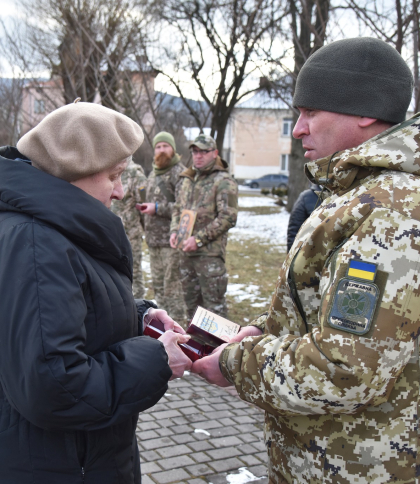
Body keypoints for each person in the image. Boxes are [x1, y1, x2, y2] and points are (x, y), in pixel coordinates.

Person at [192, 38, 419, 483]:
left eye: (309, 112)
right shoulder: (356, 197)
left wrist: (236, 363)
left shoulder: (389, 213)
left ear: (365, 112)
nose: (297, 129)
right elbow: (327, 304)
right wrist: (264, 328)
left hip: (356, 466)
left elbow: (343, 369)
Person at [0, 100, 192, 484]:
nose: (120, 191)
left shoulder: (50, 230)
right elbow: (56, 386)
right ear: (73, 173)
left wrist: (139, 317)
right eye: (114, 176)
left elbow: (65, 311)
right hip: (65, 465)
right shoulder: (39, 243)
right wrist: (156, 360)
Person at [170, 134, 238, 319]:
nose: (198, 156)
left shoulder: (223, 181)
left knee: (214, 310)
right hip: (186, 254)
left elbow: (228, 217)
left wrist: (199, 240)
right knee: (192, 310)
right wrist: (174, 231)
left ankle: (220, 348)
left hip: (209, 257)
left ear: (215, 153)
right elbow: (178, 209)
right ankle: (194, 346)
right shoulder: (187, 180)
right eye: (195, 151)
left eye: (204, 152)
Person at [139, 132, 186, 321]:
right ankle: (163, 326)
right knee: (158, 287)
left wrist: (156, 208)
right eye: (158, 147)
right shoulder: (153, 173)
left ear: (173, 149)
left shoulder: (180, 173)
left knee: (172, 289)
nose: (162, 150)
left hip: (171, 242)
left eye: (165, 146)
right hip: (153, 240)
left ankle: (178, 328)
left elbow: (184, 208)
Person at [112, 162, 147, 298]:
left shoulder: (135, 174)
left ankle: (138, 302)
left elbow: (143, 204)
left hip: (131, 233)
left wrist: (144, 228)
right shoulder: (108, 170)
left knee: (134, 270)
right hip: (112, 232)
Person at [286, 183, 321, 251]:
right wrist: (292, 255)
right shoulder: (306, 197)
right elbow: (294, 230)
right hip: (311, 253)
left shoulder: (344, 196)